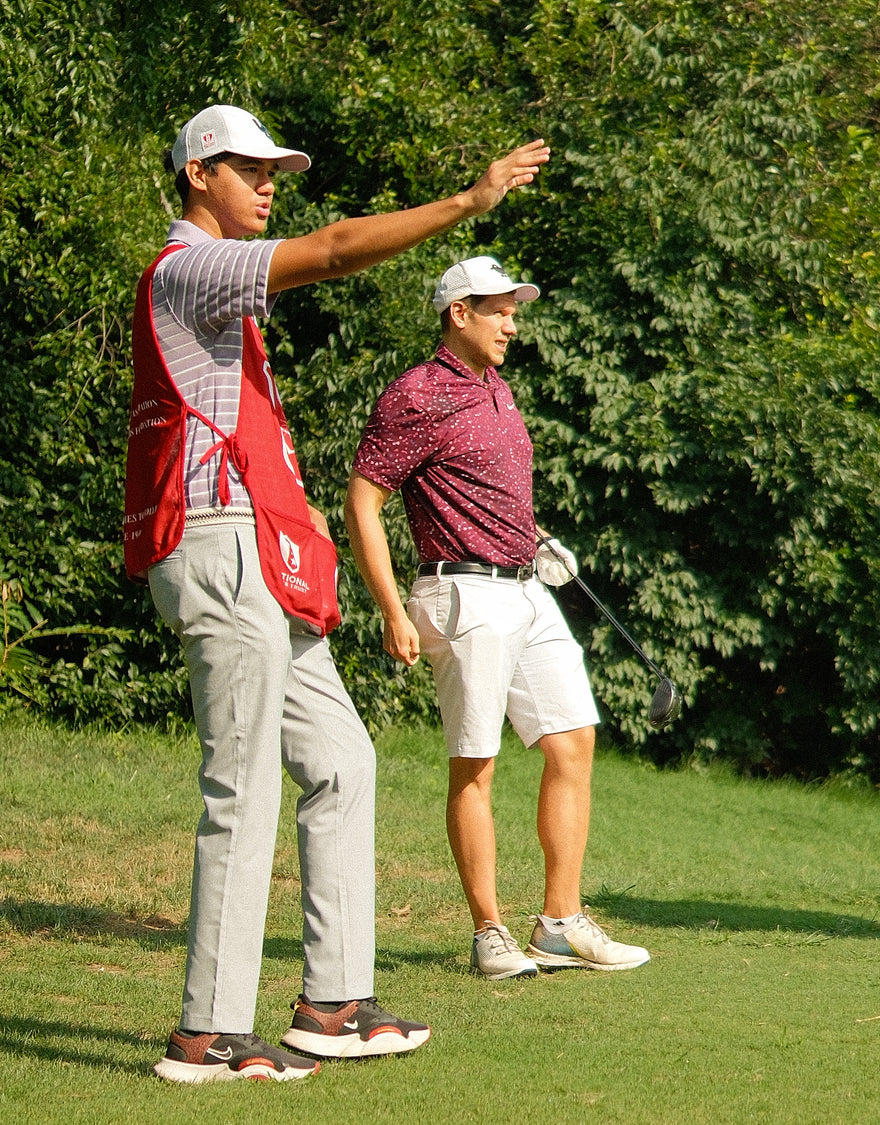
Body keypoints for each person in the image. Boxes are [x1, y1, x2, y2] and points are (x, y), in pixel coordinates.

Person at [124, 104, 549, 1082]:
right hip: (217, 547)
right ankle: (209, 1032)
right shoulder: (189, 265)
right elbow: (336, 249)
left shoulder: (219, 288)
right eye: (248, 167)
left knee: (344, 761)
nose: (268, 182)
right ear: (199, 175)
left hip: (259, 555)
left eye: (275, 168)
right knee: (244, 782)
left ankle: (334, 1004)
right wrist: (467, 200)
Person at [344, 255, 651, 981]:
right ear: (459, 313)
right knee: (475, 763)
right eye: (500, 310)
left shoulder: (498, 390)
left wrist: (538, 539)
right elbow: (363, 503)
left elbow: (490, 490)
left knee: (573, 740)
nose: (513, 323)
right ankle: (489, 931)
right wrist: (393, 608)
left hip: (523, 586)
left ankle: (559, 921)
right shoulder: (416, 394)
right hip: (462, 594)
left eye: (515, 310)